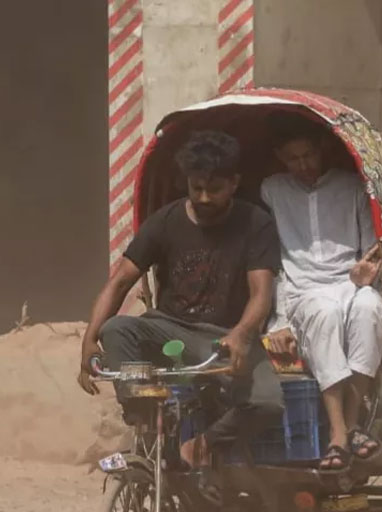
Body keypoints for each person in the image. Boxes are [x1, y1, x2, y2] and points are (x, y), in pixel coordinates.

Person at [77, 130, 283, 470]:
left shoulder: (255, 224)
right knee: (117, 330)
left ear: (234, 183)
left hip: (224, 337)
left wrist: (242, 334)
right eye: (196, 187)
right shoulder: (166, 221)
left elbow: (261, 294)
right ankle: (145, 429)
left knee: (268, 402)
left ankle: (202, 444)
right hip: (169, 330)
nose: (203, 197)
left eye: (214, 189)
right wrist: (88, 341)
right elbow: (120, 282)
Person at [260, 112, 382, 472]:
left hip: (350, 284)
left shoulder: (352, 187)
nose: (303, 165)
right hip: (304, 291)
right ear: (281, 159)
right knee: (324, 313)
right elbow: (277, 263)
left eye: (309, 155)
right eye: (293, 159)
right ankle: (339, 431)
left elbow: (371, 250)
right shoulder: (272, 190)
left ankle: (349, 427)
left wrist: (367, 273)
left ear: (322, 152)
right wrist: (281, 318)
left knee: (369, 310)